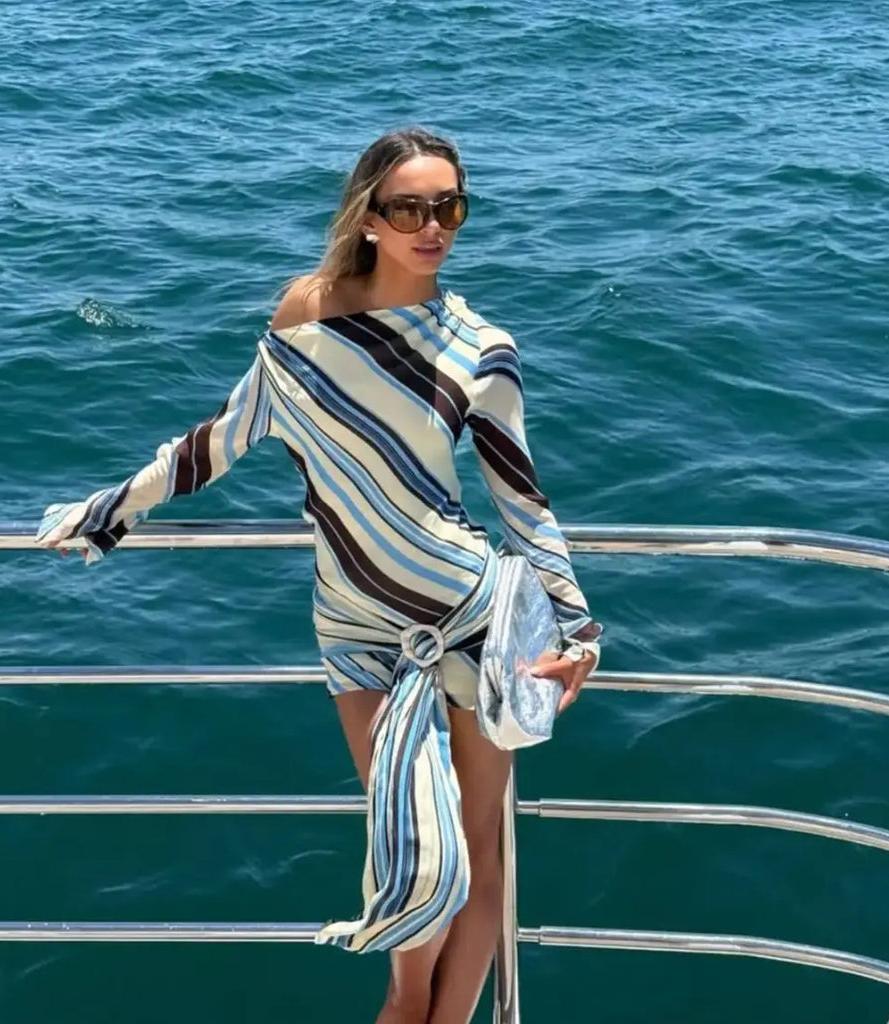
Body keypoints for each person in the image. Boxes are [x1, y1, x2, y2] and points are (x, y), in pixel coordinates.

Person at [36, 126, 601, 1024]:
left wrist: (579, 632)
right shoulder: (305, 314)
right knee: (415, 848)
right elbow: (222, 439)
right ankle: (407, 1000)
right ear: (369, 216)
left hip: (477, 617)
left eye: (448, 206)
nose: (432, 226)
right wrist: (114, 508)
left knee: (478, 847)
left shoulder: (481, 347)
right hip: (355, 627)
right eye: (409, 207)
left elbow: (521, 501)